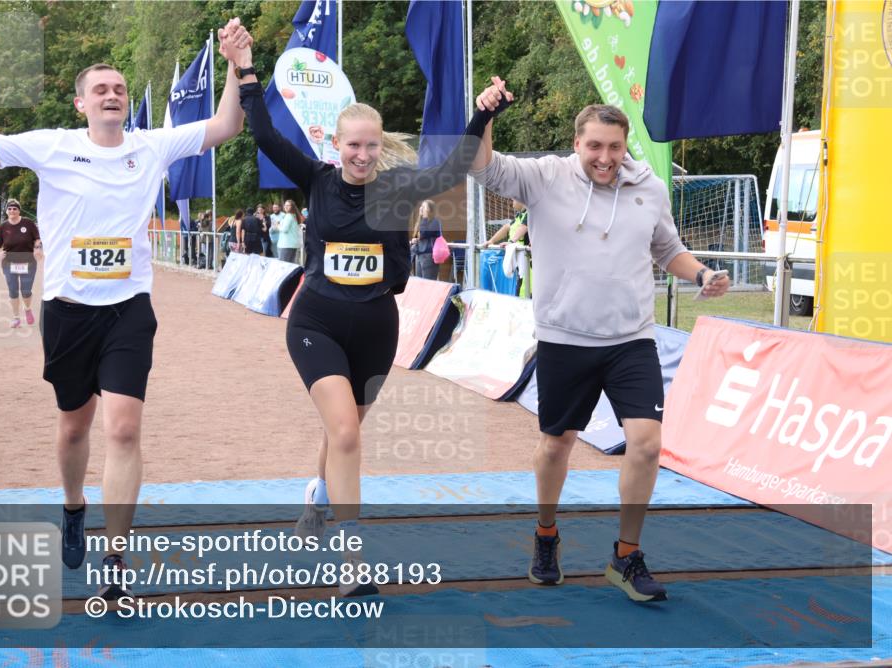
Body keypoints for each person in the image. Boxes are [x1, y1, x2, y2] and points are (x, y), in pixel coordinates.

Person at [0, 20, 248, 600]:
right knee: (73, 426)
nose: (112, 94)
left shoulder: (150, 146)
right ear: (82, 102)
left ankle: (116, 559)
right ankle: (72, 505)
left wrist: (237, 67)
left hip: (128, 308)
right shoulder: (54, 145)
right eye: (101, 89)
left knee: (125, 427)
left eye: (118, 87)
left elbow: (225, 125)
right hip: (68, 310)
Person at [224, 27, 509, 597]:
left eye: (371, 145)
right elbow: (262, 132)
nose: (361, 155)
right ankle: (350, 561)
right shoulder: (316, 179)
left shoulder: (400, 188)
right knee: (349, 434)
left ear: (382, 146)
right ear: (336, 144)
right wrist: (246, 71)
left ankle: (318, 496)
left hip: (378, 326)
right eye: (352, 145)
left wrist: (481, 116)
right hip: (318, 322)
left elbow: (455, 169)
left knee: (343, 431)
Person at [470, 99, 731, 602]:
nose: (605, 157)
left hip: (631, 339)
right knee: (556, 446)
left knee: (648, 443)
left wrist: (699, 273)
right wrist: (484, 117)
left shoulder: (649, 188)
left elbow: (666, 249)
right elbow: (481, 166)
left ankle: (626, 554)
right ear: (576, 144)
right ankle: (546, 535)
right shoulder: (544, 178)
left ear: (625, 145)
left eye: (614, 146)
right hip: (564, 339)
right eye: (595, 146)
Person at [0, 199, 42, 327]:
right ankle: (16, 317)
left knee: (26, 291)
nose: (12, 211)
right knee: (13, 290)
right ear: (6, 211)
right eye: (9, 209)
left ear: (19, 210)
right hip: (9, 262)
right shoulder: (3, 226)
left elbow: (37, 239)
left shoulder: (28, 223)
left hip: (28, 261)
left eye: (14, 208)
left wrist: (37, 248)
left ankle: (27, 308)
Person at [410, 199, 442, 280]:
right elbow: (419, 235)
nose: (421, 209)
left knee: (428, 283)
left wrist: (424, 218)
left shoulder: (435, 222)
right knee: (420, 283)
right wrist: (415, 239)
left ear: (430, 209)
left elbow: (424, 234)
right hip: (419, 254)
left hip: (428, 255)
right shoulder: (422, 222)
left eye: (424, 207)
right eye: (421, 206)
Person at [275, 199, 302, 264]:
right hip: (292, 245)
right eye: (285, 205)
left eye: (288, 205)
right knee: (291, 266)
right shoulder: (294, 216)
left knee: (284, 266)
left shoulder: (289, 216)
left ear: (292, 207)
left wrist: (277, 225)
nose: (286, 207)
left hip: (286, 245)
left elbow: (284, 229)